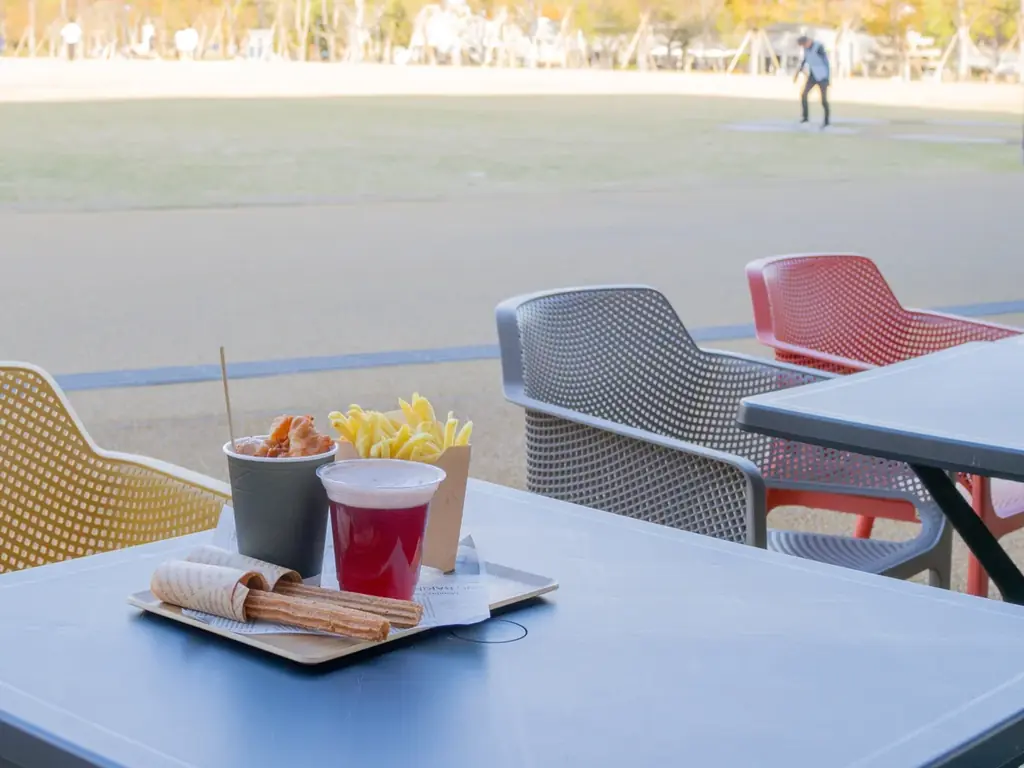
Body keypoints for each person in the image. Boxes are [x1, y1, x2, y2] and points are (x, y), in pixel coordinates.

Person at [794, 35, 830, 129]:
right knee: (804, 94)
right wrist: (798, 72)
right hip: (813, 75)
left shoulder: (819, 47)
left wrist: (828, 78)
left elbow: (826, 62)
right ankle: (805, 118)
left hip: (822, 76)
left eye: (804, 45)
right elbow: (805, 60)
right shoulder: (806, 49)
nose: (803, 47)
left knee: (823, 100)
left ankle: (826, 122)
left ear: (808, 42)